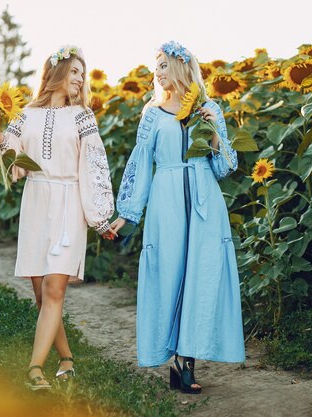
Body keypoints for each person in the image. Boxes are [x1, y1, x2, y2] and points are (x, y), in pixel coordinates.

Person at [109, 41, 245, 394]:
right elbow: (141, 165)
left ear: (183, 68)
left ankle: (187, 362)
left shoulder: (209, 107)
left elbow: (225, 166)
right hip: (166, 201)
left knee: (201, 276)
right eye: (157, 66)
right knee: (169, 274)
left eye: (164, 65)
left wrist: (214, 129)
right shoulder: (152, 114)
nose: (158, 72)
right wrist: (127, 215)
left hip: (204, 201)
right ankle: (172, 356)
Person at [0, 45, 116, 390]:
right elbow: (9, 163)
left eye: (82, 74)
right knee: (43, 296)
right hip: (36, 202)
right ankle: (67, 359)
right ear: (56, 74)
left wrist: (100, 216)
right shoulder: (26, 115)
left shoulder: (83, 116)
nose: (80, 79)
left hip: (69, 203)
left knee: (55, 289)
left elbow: (94, 165)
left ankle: (34, 370)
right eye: (74, 71)